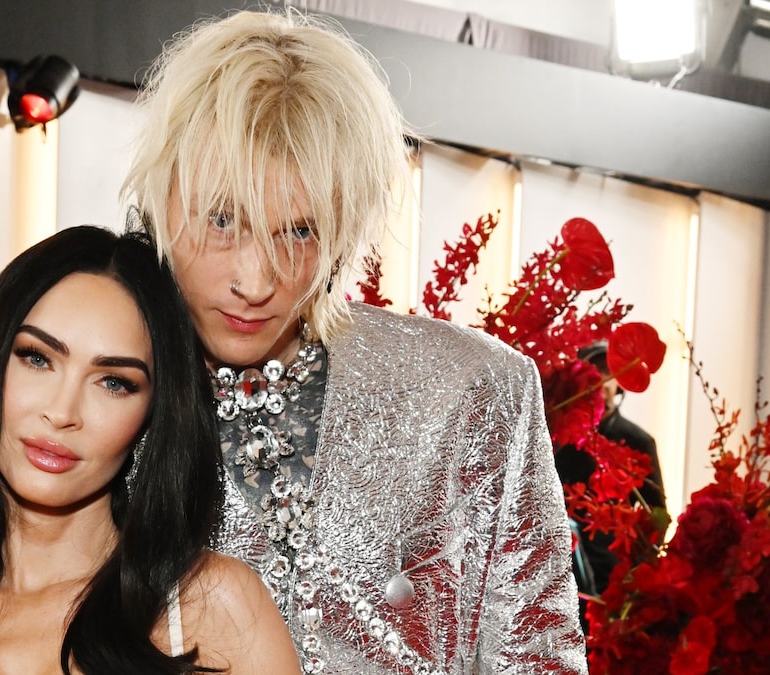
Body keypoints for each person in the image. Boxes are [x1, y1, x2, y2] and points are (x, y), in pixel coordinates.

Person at [121, 9, 587, 673]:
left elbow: (537, 658)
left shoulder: (470, 390)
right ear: (162, 197)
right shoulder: (107, 388)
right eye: (222, 219)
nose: (254, 280)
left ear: (346, 226)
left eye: (299, 231)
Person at [0, 226, 300, 674]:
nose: (63, 412)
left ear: (152, 417)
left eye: (114, 382)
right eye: (37, 358)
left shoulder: (214, 610)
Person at [557, 341, 669, 620]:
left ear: (619, 383)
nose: (600, 382)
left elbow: (655, 519)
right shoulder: (559, 438)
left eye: (608, 373)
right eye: (593, 371)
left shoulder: (638, 441)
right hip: (561, 576)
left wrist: (634, 583)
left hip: (612, 583)